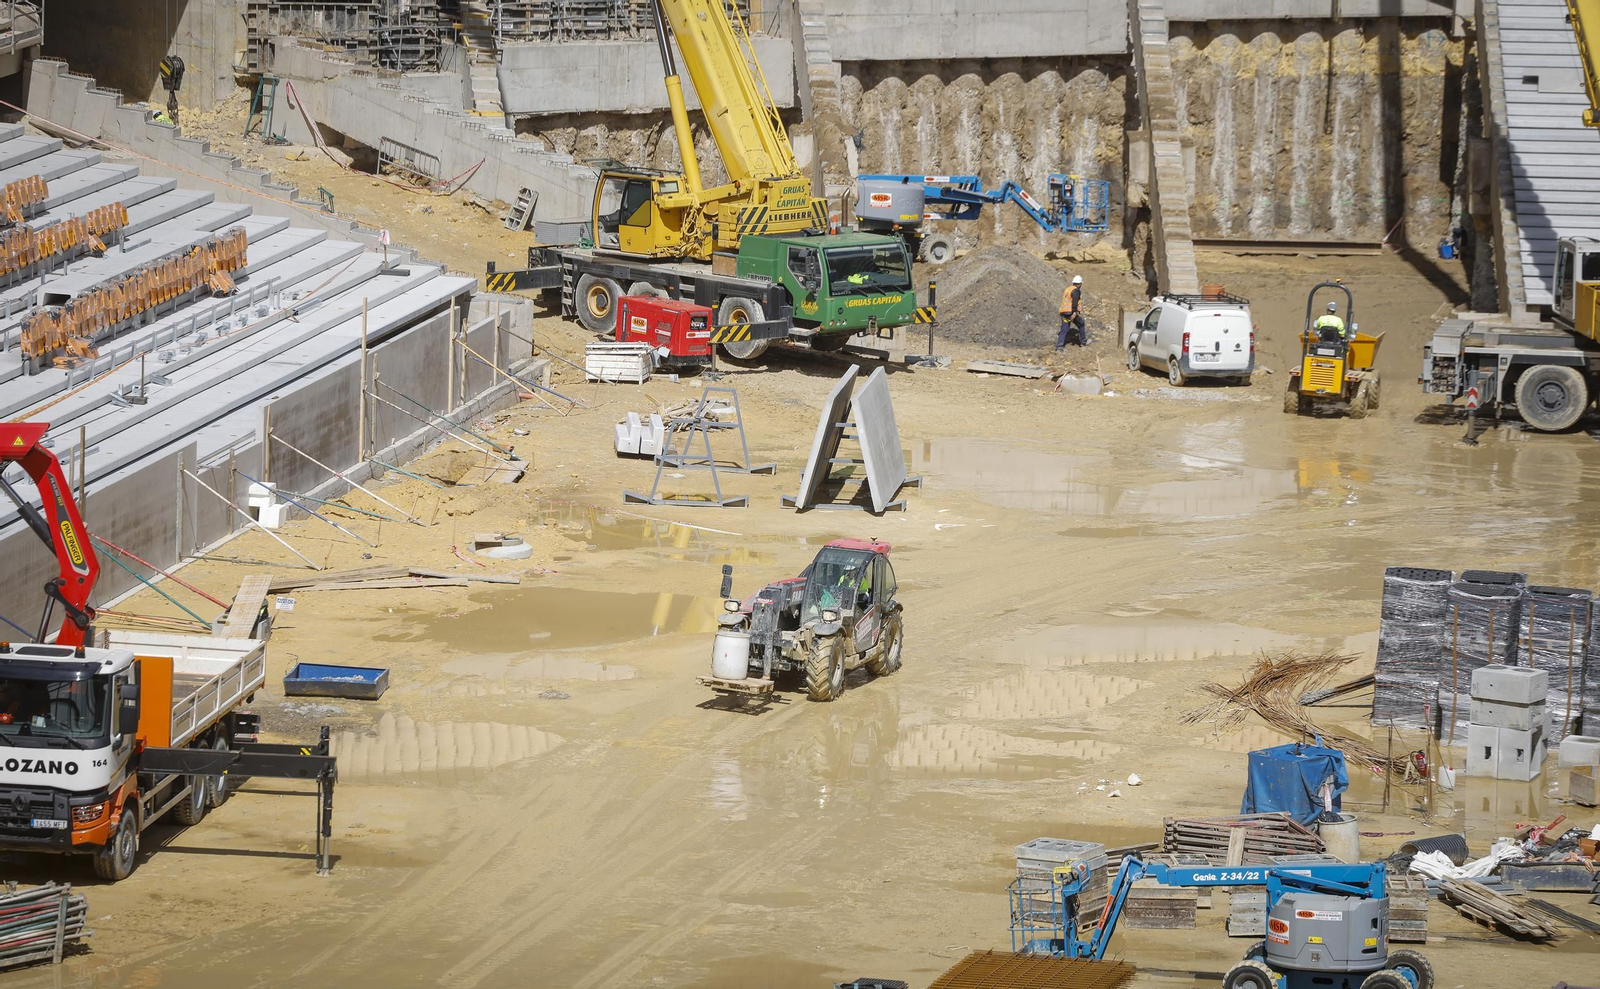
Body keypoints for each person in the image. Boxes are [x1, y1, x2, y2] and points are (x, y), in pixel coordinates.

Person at [1057, 275, 1087, 349]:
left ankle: (1059, 346)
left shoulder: (1068, 289)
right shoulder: (1076, 291)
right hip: (1070, 312)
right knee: (1081, 323)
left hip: (1063, 312)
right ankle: (1083, 342)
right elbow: (1074, 302)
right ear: (1079, 284)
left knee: (1064, 329)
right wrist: (1074, 312)